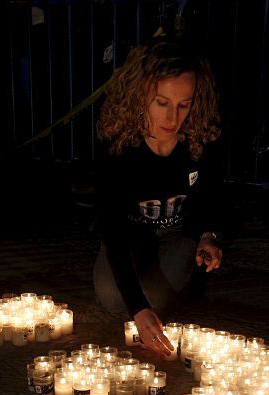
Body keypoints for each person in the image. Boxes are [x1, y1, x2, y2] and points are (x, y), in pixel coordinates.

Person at [93, 37, 224, 359]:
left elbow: (211, 197)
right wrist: (138, 310)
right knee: (114, 297)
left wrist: (208, 236)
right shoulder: (119, 145)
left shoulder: (199, 138)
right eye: (162, 103)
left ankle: (183, 281)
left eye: (184, 105)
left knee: (153, 297)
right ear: (140, 96)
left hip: (178, 235)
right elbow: (111, 227)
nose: (172, 118)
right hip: (131, 235)